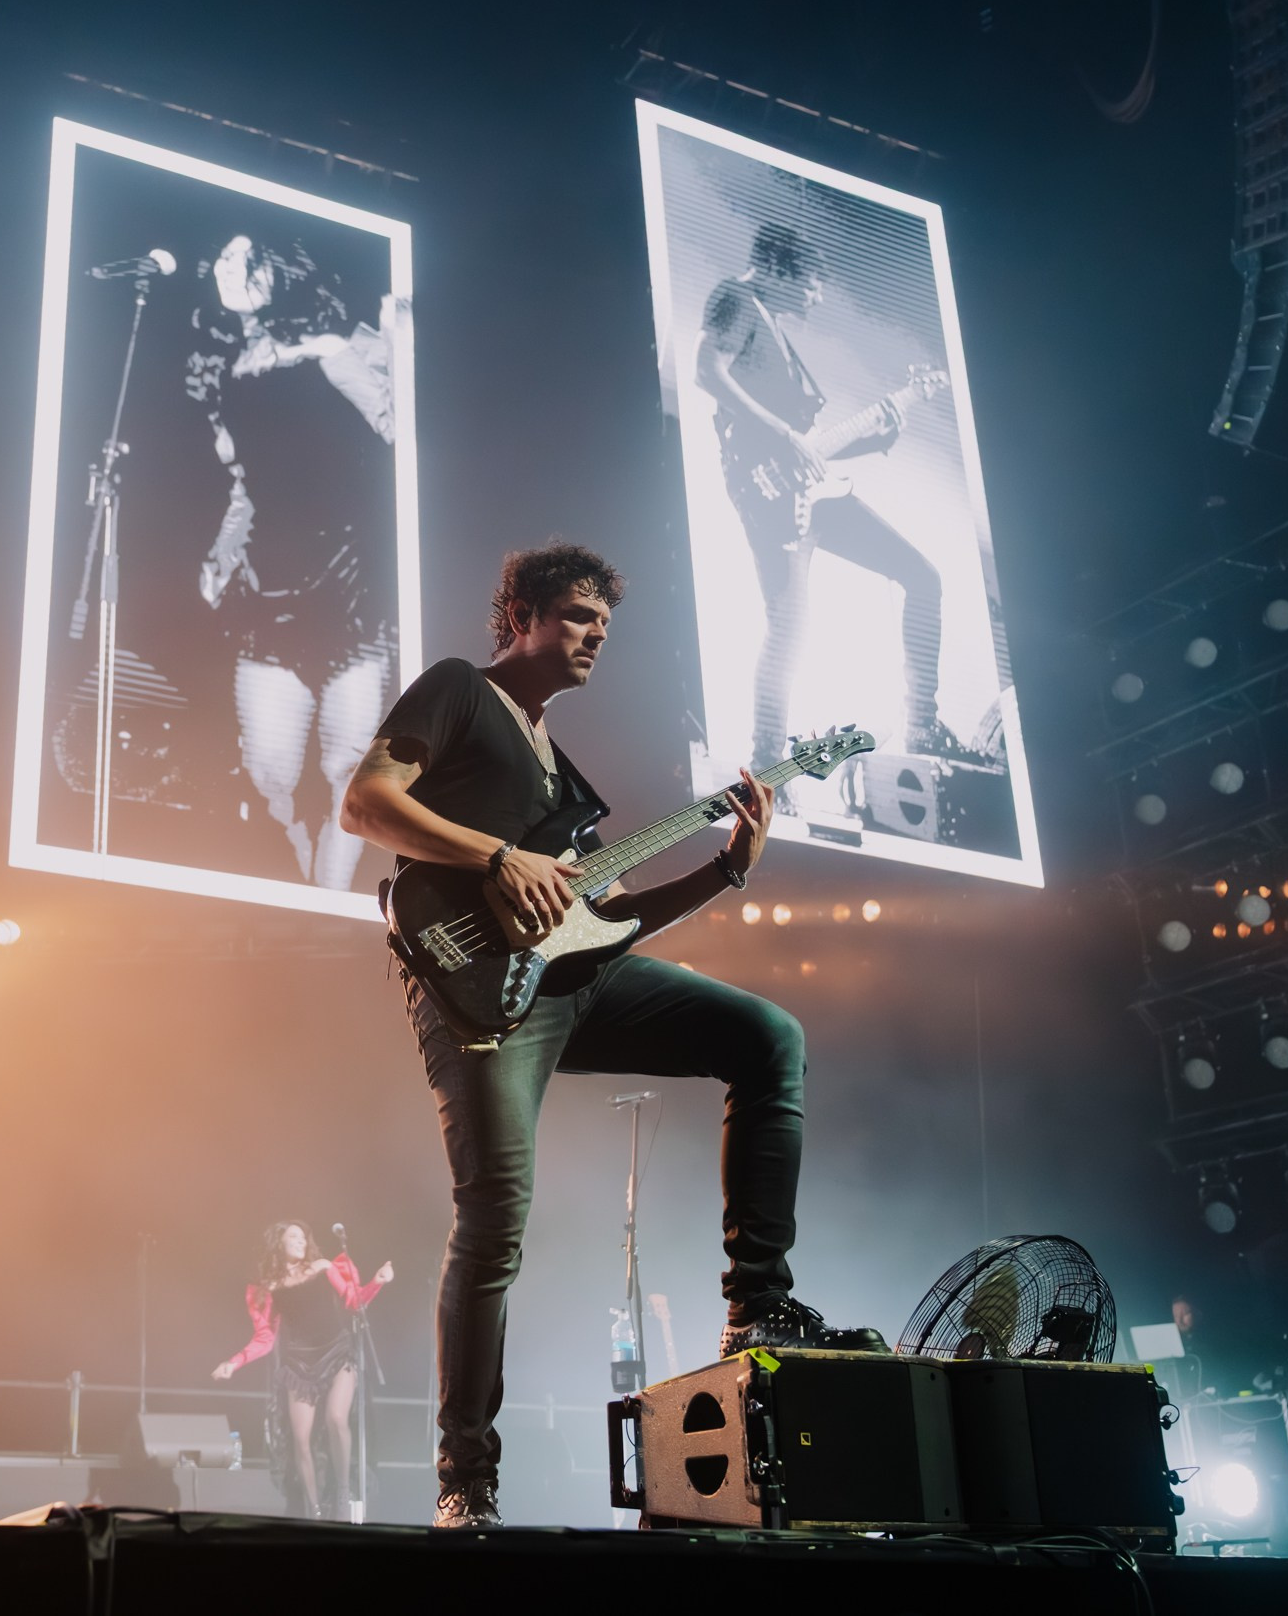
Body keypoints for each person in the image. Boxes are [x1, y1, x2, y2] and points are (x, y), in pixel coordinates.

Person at [340, 542, 883, 1530]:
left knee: (767, 1036)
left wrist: (726, 869)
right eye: (579, 616)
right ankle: (467, 1477)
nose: (594, 637)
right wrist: (498, 856)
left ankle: (756, 1301)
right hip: (473, 992)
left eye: (603, 624)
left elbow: (611, 918)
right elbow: (364, 801)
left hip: (574, 982)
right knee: (494, 1218)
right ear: (522, 614)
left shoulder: (562, 771)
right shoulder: (459, 690)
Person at [695, 223, 960, 771]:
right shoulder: (737, 297)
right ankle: (765, 767)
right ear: (779, 269)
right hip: (768, 495)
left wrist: (885, 425)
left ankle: (923, 725)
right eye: (812, 282)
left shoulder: (772, 326)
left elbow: (811, 451)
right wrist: (786, 436)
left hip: (809, 491)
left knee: (923, 578)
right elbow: (706, 369)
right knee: (788, 626)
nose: (817, 294)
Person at [190, 234, 399, 890]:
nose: (224, 265)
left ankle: (328, 900)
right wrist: (223, 552)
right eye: (220, 257)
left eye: (241, 257)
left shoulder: (341, 347)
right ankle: (307, 872)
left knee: (348, 768)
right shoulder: (234, 367)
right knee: (270, 772)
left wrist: (354, 356)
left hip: (349, 582)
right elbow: (246, 484)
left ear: (278, 274)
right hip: (270, 584)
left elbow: (399, 429)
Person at [210, 1220, 393, 1519]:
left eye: (303, 1237)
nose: (300, 1241)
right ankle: (314, 1508)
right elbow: (265, 1338)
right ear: (279, 1244)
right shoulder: (268, 1287)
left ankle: (344, 1491)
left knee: (336, 1418)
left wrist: (378, 1281)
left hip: (337, 1353)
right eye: (293, 1236)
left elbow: (353, 1301)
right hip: (299, 1364)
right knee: (301, 1438)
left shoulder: (322, 1267)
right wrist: (234, 1362)